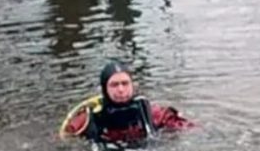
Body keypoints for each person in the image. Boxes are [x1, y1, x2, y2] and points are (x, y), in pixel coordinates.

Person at [59, 60, 191, 146]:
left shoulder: (151, 113)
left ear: (132, 85)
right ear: (105, 89)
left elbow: (185, 127)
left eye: (125, 83)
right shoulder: (88, 119)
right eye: (114, 85)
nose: (121, 90)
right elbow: (65, 139)